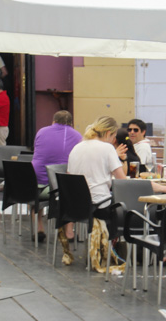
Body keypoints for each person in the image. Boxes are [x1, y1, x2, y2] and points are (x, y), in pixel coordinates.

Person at [66, 116, 127, 270]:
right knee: (122, 208)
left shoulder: (77, 147)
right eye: (114, 137)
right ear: (108, 133)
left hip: (74, 204)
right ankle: (112, 251)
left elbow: (69, 174)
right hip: (97, 205)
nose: (114, 141)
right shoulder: (107, 149)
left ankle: (100, 249)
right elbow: (122, 180)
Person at [31, 110, 83, 240]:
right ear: (71, 123)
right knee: (73, 191)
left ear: (53, 121)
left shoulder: (41, 132)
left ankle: (39, 228)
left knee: (34, 197)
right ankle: (69, 230)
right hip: (62, 188)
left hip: (38, 187)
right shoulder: (77, 136)